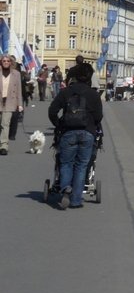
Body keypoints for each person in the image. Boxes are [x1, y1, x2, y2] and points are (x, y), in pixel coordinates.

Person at [48, 62, 103, 209]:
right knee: (81, 166)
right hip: (87, 133)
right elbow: (99, 116)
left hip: (68, 132)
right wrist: (92, 124)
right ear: (89, 77)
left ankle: (66, 187)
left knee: (66, 163)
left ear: (74, 76)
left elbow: (52, 111)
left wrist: (58, 124)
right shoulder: (93, 94)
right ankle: (76, 200)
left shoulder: (66, 92)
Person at [0, 55, 24, 155]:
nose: (6, 62)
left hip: (10, 101)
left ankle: (4, 146)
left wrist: (20, 104)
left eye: (8, 61)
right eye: (4, 61)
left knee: (5, 124)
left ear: (11, 62)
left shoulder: (16, 74)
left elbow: (19, 89)